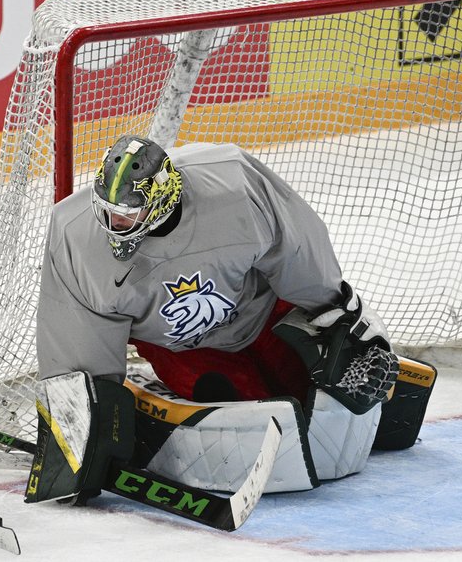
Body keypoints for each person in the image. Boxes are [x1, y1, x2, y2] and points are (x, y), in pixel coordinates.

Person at [26, 135, 408, 504]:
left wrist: (336, 314)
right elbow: (75, 335)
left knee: (327, 405)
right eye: (108, 211)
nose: (114, 224)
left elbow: (298, 247)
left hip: (265, 318)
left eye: (128, 214)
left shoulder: (232, 183)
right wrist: (80, 427)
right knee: (264, 422)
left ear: (161, 200)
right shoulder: (74, 234)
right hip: (182, 350)